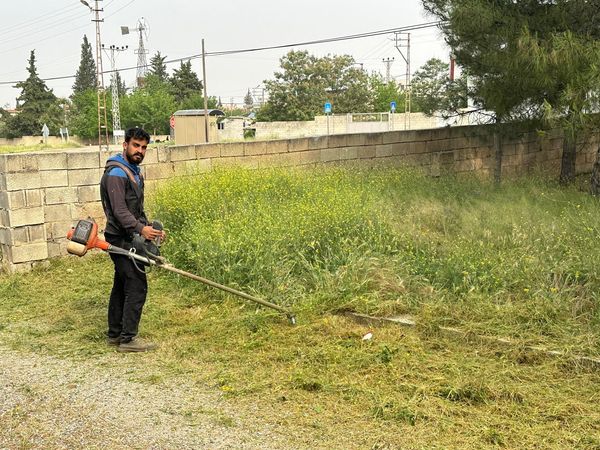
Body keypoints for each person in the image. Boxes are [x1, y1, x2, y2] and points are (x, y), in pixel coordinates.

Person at [99, 127, 165, 353]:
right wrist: (140, 229)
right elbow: (119, 211)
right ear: (125, 144)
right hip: (119, 238)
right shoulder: (117, 173)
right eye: (136, 145)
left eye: (144, 147)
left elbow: (136, 209)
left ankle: (115, 334)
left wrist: (150, 229)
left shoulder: (133, 171)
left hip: (130, 236)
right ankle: (128, 340)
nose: (140, 151)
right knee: (137, 286)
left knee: (122, 285)